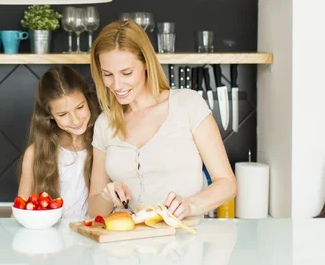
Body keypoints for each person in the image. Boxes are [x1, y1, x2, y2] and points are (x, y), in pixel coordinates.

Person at [87, 20, 237, 220]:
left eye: (127, 73)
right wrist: (108, 196)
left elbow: (227, 184)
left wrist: (190, 205)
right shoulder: (105, 123)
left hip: (184, 244)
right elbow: (94, 209)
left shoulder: (187, 105)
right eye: (107, 74)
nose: (117, 84)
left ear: (146, 64)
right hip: (124, 246)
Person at [17, 65, 100, 219]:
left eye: (80, 107)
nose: (75, 120)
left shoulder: (102, 145)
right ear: (50, 115)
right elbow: (20, 210)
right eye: (63, 114)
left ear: (88, 100)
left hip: (94, 234)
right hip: (51, 239)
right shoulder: (35, 153)